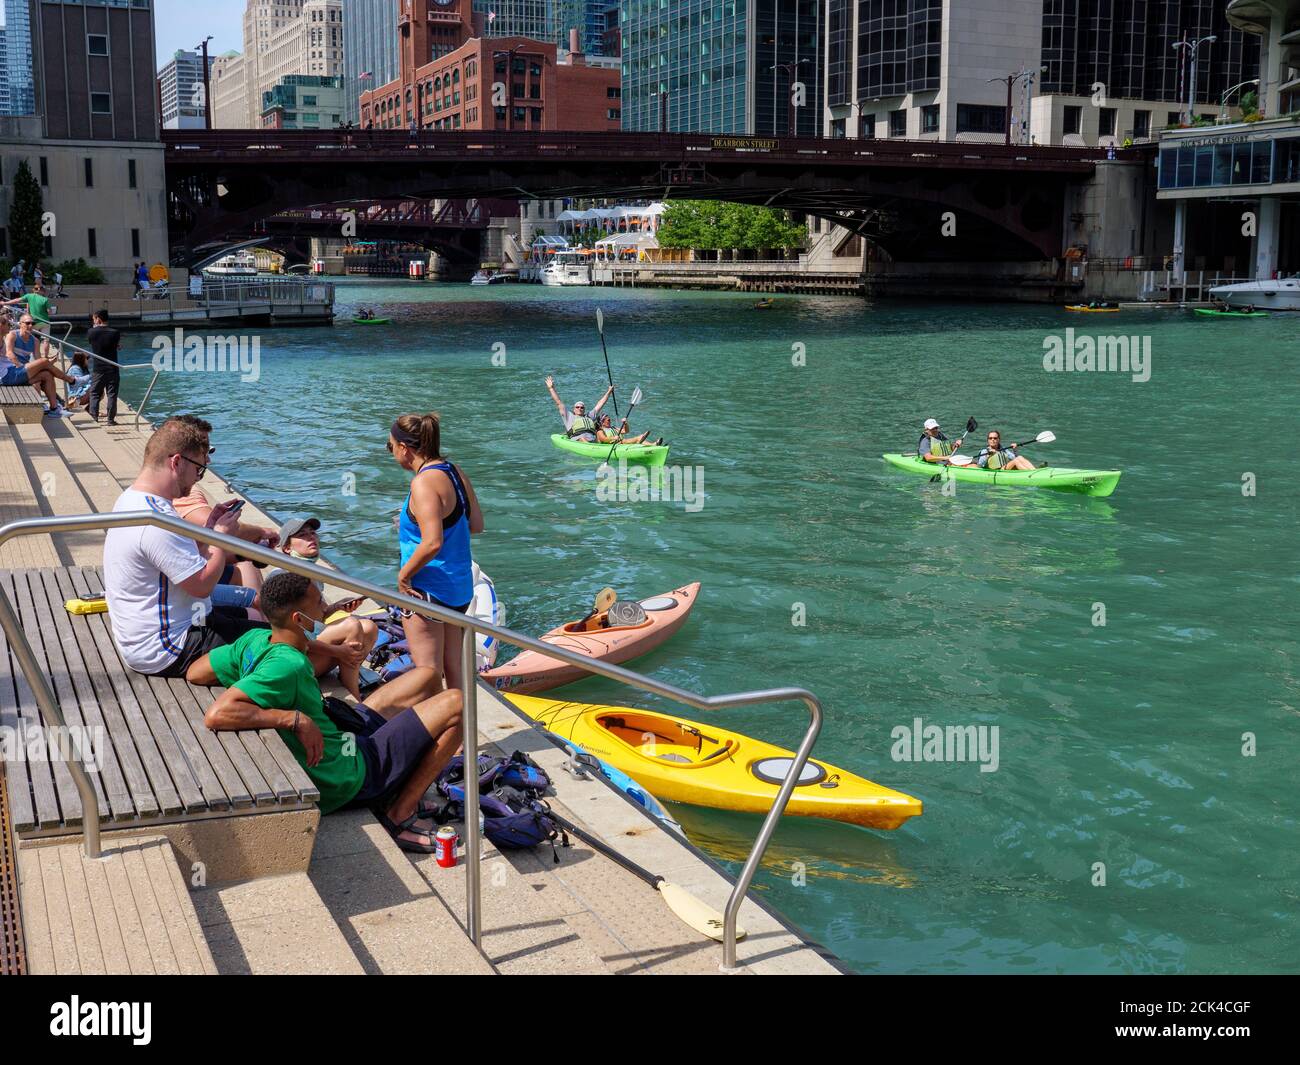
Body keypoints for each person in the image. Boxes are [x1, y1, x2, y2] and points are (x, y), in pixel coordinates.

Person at [189, 572, 463, 852]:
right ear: (298, 620)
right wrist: (293, 718)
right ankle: (400, 813)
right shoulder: (287, 667)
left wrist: (260, 683)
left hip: (342, 735)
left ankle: (409, 775)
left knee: (428, 676)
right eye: (318, 602)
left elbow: (195, 672)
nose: (324, 607)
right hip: (349, 773)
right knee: (458, 704)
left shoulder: (257, 640)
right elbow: (217, 714)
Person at [102, 419, 261, 676]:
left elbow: (180, 560)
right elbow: (201, 586)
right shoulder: (156, 521)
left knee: (255, 616)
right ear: (176, 462)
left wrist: (209, 530)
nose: (198, 479)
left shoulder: (135, 500)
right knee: (285, 647)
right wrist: (221, 538)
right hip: (168, 647)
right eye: (199, 469)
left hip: (164, 629)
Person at [389, 413, 484, 689]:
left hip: (427, 591)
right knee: (454, 669)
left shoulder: (422, 483)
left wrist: (403, 577)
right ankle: (460, 729)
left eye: (391, 446)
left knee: (428, 673)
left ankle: (434, 729)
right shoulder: (454, 472)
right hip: (459, 590)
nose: (391, 452)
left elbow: (432, 542)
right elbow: (476, 524)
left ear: (404, 449)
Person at [2, 314, 75, 416]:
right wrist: (20, 367)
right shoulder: (13, 335)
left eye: (33, 323)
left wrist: (46, 365)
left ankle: (54, 409)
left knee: (46, 374)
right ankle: (72, 381)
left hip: (20, 371)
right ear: (20, 324)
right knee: (44, 364)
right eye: (27, 323)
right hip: (12, 372)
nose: (31, 326)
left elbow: (37, 359)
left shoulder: (35, 340)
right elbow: (9, 353)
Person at [545, 375, 614, 443]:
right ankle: (589, 447)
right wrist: (551, 388)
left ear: (584, 409)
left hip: (593, 441)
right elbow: (559, 403)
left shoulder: (589, 416)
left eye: (582, 407)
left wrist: (609, 391)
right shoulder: (569, 417)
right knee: (582, 439)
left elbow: (600, 404)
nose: (579, 408)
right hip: (579, 441)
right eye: (577, 407)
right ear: (574, 409)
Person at [86, 308, 122, 424]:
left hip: (98, 368)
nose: (93, 322)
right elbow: (114, 345)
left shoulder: (91, 332)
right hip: (112, 367)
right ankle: (110, 419)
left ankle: (94, 417)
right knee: (112, 394)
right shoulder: (115, 332)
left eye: (94, 319)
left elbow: (94, 343)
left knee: (95, 393)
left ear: (99, 319)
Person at [2, 282, 54, 356]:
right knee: (46, 340)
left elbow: (17, 300)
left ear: (34, 290)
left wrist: (5, 303)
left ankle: (31, 354)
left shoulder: (29, 296)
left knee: (30, 338)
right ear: (41, 291)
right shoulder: (45, 299)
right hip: (45, 322)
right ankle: (45, 356)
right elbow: (50, 312)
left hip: (33, 322)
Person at [595, 412, 661, 447]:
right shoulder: (600, 431)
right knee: (639, 438)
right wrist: (613, 438)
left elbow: (626, 431)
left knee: (640, 440)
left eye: (610, 420)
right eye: (608, 420)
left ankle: (653, 445)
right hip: (613, 446)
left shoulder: (613, 428)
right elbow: (603, 438)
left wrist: (625, 424)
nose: (610, 421)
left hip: (621, 443)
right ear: (602, 422)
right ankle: (646, 443)